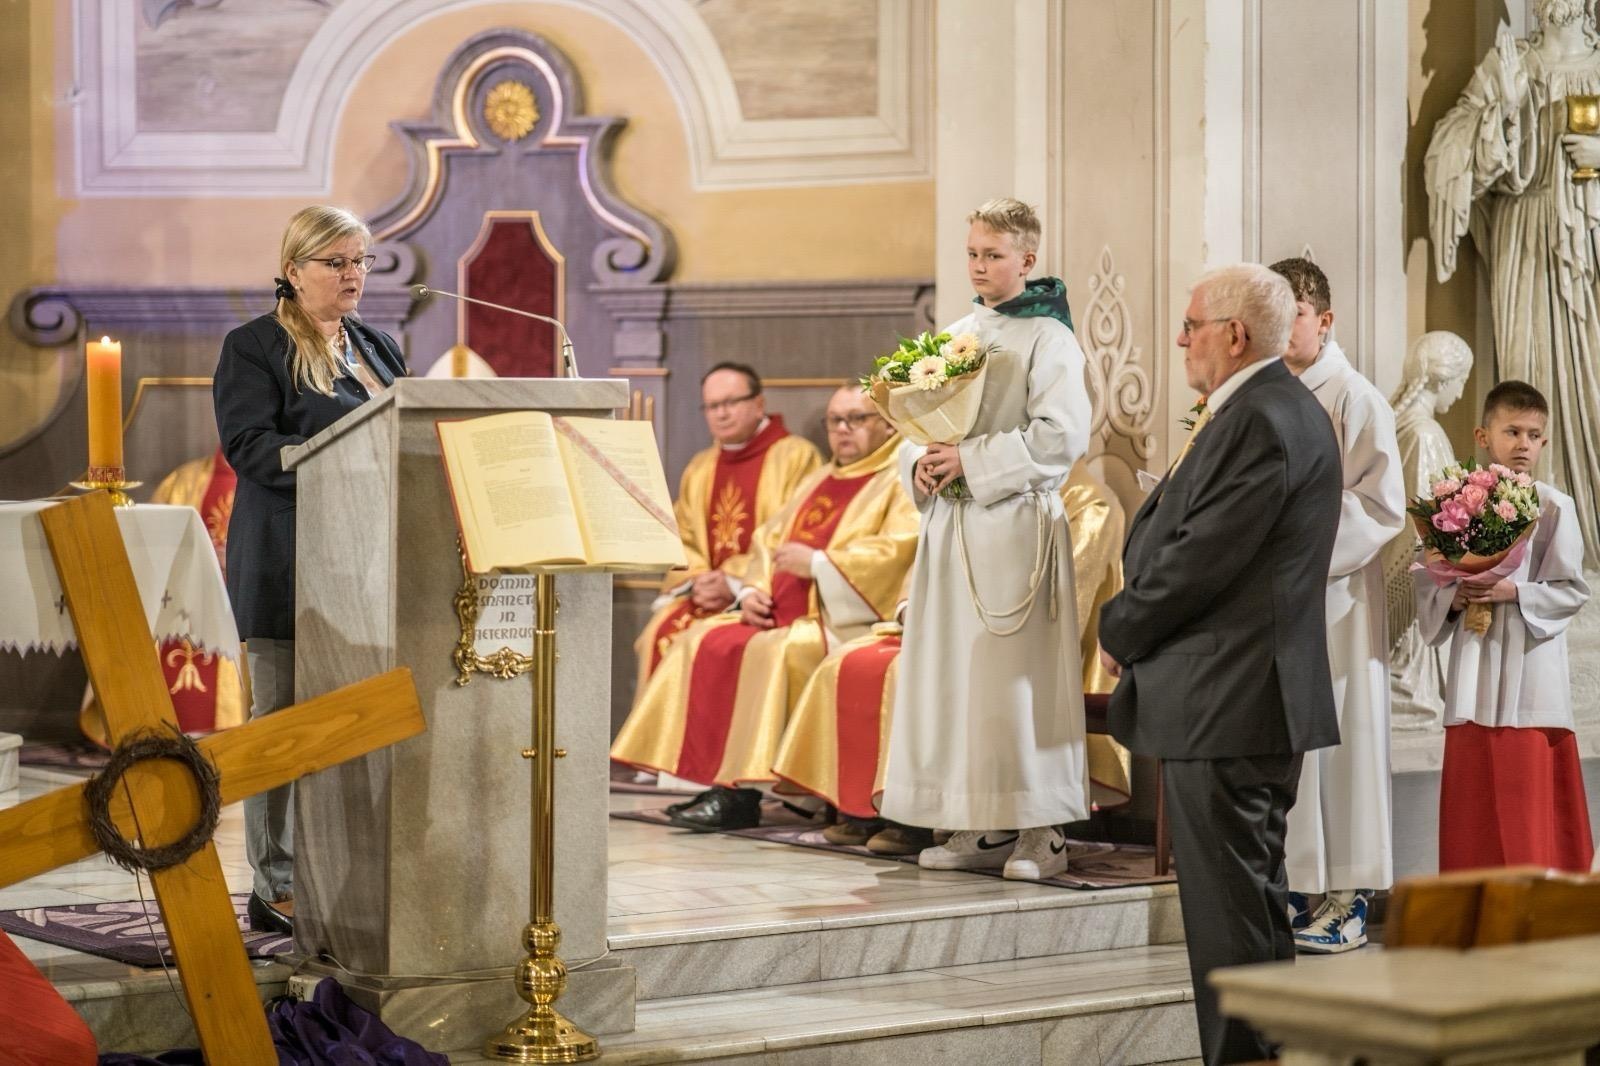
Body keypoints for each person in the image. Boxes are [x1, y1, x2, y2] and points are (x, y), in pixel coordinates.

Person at [1098, 263, 1342, 1066]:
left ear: (1234, 335)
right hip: (1245, 697)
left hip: (1228, 698)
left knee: (1230, 925)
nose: (1180, 339)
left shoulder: (1260, 417)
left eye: (1192, 324)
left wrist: (1121, 624)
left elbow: (1201, 557)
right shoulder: (1273, 410)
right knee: (1253, 911)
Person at [879, 197, 1093, 882]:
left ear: (1028, 260)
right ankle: (975, 820)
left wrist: (972, 461)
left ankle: (1042, 829)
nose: (979, 265)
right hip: (954, 528)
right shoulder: (960, 332)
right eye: (972, 253)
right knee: (960, 678)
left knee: (1015, 680)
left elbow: (1062, 437)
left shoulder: (1050, 340)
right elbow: (915, 427)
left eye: (994, 255)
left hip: (1016, 527)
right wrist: (922, 463)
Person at [771, 459, 1130, 857]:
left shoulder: (1085, 503)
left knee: (910, 672)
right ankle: (871, 808)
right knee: (850, 661)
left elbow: (1066, 602)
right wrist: (913, 609)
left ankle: (922, 820)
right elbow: (935, 556)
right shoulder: (979, 486)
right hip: (955, 629)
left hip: (1024, 643)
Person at [213, 205, 407, 935]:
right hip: (288, 559)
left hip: (370, 564)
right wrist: (339, 458)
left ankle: (353, 869)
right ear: (293, 270)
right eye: (336, 262)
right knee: (282, 726)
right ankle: (278, 882)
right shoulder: (254, 346)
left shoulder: (381, 347)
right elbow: (250, 447)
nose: (353, 274)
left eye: (360, 261)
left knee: (358, 723)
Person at [610, 385, 919, 830]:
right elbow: (766, 541)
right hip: (785, 611)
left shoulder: (897, 476)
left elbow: (899, 549)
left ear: (887, 424)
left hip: (845, 618)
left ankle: (753, 791)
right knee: (705, 638)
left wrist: (818, 564)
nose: (842, 431)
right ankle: (720, 785)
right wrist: (751, 591)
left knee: (775, 652)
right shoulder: (821, 477)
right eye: (834, 421)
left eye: (857, 419)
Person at [1426, 0, 1600, 562]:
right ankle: (1530, 546)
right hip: (1525, 243)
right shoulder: (1509, 64)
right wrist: (1496, 113)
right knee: (1530, 380)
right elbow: (1449, 153)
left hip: (1590, 243)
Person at [1270, 258, 1406, 954]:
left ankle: (1348, 894)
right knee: (1291, 745)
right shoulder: (1258, 397)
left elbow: (1381, 506)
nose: (1281, 325)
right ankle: (1296, 882)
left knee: (1342, 740)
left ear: (1325, 321)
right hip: (1276, 603)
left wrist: (1292, 537)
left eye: (1292, 312)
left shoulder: (1354, 397)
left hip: (1337, 602)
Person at [1414, 381, 1595, 873]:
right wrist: (1457, 594)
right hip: (1476, 663)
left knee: (1527, 801)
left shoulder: (1555, 505)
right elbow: (1426, 579)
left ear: (1544, 443)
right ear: (1483, 435)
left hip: (1530, 670)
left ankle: (1542, 906)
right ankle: (1475, 905)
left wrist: (1511, 591)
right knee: (1474, 799)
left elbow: (1572, 589)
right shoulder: (1451, 507)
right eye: (1511, 431)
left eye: (1534, 434)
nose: (1522, 444)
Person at [633, 363, 820, 696]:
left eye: (731, 403)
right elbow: (683, 535)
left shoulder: (796, 458)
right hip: (703, 594)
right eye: (712, 406)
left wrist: (734, 583)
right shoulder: (701, 467)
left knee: (715, 647)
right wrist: (699, 581)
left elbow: (797, 533)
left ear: (759, 403)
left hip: (762, 599)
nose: (720, 414)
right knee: (657, 635)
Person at [1382, 332, 1475, 728]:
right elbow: (1428, 523)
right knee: (1421, 704)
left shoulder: (1402, 427)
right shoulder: (1424, 433)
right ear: (1443, 378)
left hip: (1408, 574)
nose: (1460, 393)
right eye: (1462, 381)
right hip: (1420, 583)